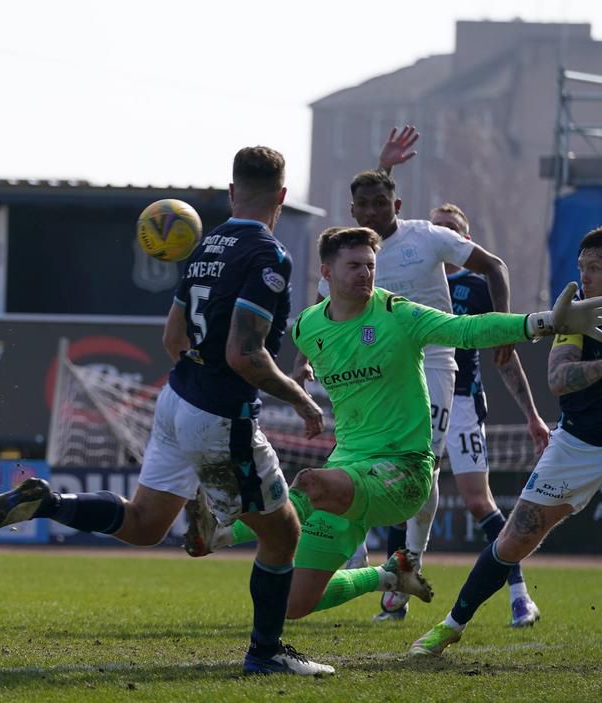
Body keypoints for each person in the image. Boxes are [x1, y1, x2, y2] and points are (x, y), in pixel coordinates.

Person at [0, 147, 334, 676]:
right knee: (283, 535)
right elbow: (244, 354)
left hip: (176, 400)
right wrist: (300, 396)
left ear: (232, 192)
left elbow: (172, 338)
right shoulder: (268, 255)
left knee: (143, 524)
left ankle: (49, 502)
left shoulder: (206, 246)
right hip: (220, 415)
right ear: (282, 195)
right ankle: (266, 652)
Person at [182, 226, 602, 627]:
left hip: (402, 473)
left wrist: (544, 322)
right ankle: (388, 576)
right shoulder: (308, 327)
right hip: (346, 474)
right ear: (326, 272)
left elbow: (466, 329)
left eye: (370, 265)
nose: (365, 273)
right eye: (354, 265)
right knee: (289, 603)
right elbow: (290, 357)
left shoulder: (396, 313)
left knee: (309, 483)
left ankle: (224, 531)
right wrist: (301, 392)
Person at [298, 127, 514, 622]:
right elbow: (318, 314)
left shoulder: (428, 237)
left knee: (424, 464)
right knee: (357, 456)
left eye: (382, 202)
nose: (373, 211)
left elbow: (495, 266)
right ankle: (359, 550)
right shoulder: (352, 255)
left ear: (397, 203)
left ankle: (409, 560)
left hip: (432, 362)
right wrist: (303, 363)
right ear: (353, 211)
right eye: (364, 205)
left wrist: (504, 326)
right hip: (372, 370)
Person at [410, 227, 602, 655]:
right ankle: (451, 624)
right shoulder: (577, 317)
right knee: (516, 537)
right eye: (582, 268)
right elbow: (558, 378)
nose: (585, 277)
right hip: (579, 444)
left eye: (595, 268)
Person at [433, 203, 548, 627]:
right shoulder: (412, 280)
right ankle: (393, 595)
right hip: (414, 400)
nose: (443, 234)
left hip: (462, 401)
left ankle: (520, 595)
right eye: (437, 227)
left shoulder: (477, 287)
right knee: (407, 492)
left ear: (465, 240)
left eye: (452, 228)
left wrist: (532, 415)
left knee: (477, 500)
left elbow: (504, 354)